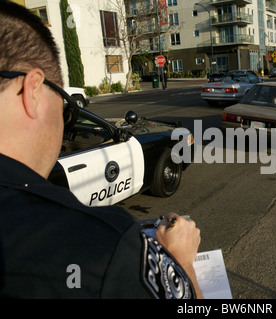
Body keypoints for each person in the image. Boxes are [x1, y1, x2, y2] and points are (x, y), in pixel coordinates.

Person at [0, 0, 202, 299]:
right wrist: (181, 264)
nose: (66, 119)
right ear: (32, 91)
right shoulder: (105, 243)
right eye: (67, 108)